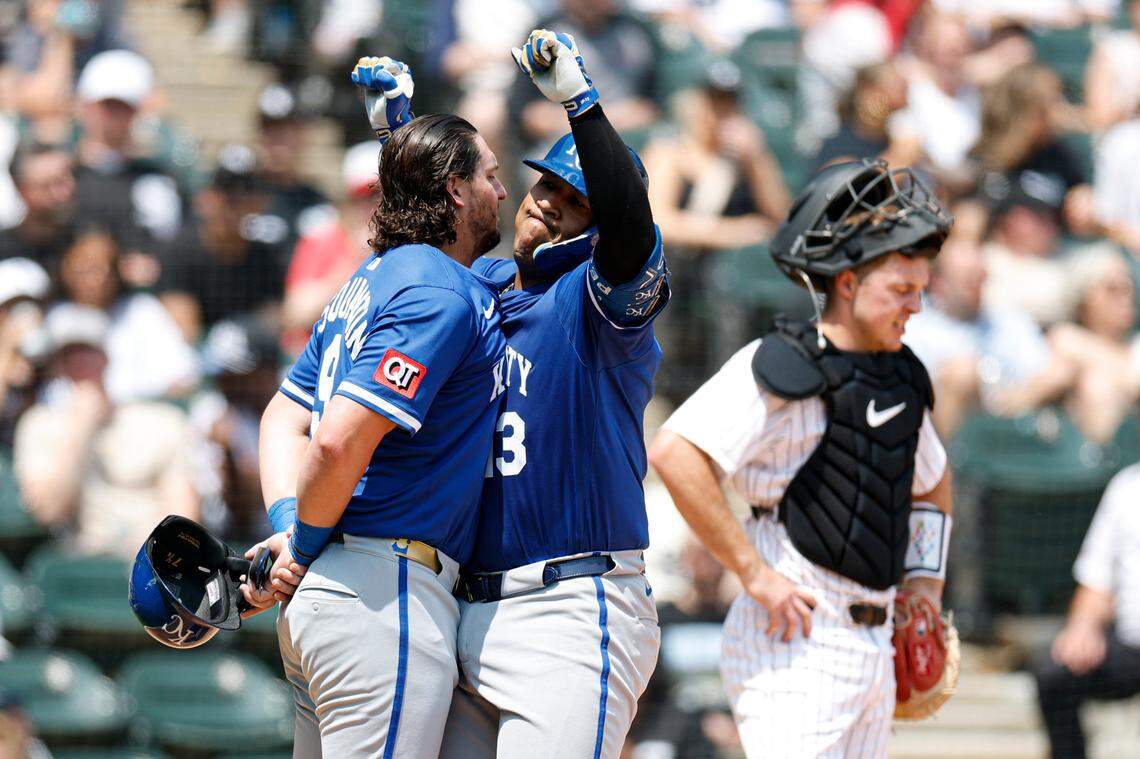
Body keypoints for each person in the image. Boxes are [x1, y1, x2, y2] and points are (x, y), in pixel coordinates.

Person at [347, 34, 668, 757]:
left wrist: (581, 105)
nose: (548, 203)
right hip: (463, 608)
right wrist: (398, 140)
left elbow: (630, 229)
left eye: (575, 201)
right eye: (546, 185)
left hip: (570, 608)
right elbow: (419, 243)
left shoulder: (598, 308)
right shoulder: (476, 287)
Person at [244, 57, 509, 757]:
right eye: (490, 176)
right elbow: (332, 442)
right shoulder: (435, 289)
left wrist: (288, 529)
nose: (504, 191)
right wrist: (297, 545)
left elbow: (281, 418)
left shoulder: (368, 280)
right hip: (378, 593)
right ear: (455, 191)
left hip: (332, 587)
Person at [649, 159, 955, 757]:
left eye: (919, 290)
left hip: (873, 644)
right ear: (847, 283)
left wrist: (926, 586)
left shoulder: (901, 375)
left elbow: (935, 486)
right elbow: (676, 453)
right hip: (798, 636)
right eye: (900, 289)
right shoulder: (783, 362)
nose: (914, 306)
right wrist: (753, 573)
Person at [13, 303, 200, 559]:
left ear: (106, 356)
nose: (79, 362)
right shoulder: (39, 424)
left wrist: (154, 542)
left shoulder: (162, 422)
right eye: (68, 354)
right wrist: (79, 429)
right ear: (57, 364)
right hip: (82, 566)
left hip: (152, 558)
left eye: (87, 351)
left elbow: (185, 513)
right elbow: (48, 510)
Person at [1034, 461, 1140, 759]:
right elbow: (1097, 580)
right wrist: (1082, 626)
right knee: (1055, 676)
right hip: (1132, 647)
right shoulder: (1127, 486)